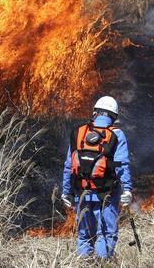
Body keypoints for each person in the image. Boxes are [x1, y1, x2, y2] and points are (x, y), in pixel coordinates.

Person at [61, 95, 132, 259]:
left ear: (94, 113)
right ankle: (103, 262)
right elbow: (122, 165)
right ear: (114, 116)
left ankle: (84, 262)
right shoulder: (117, 134)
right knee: (106, 232)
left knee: (84, 234)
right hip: (107, 193)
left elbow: (68, 165)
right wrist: (127, 189)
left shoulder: (78, 133)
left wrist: (66, 192)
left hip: (82, 192)